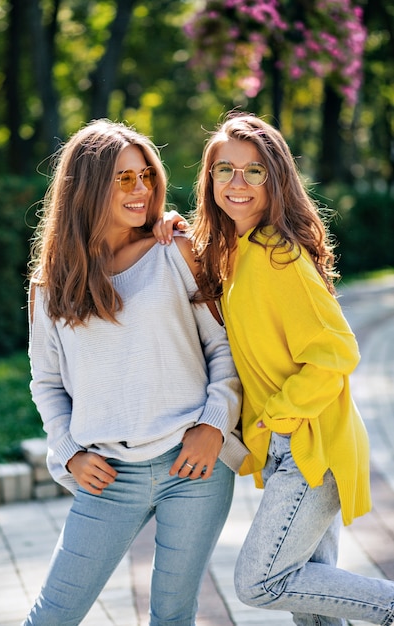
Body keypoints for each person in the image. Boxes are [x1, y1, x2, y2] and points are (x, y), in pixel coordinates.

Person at [153, 111, 394, 626]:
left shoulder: (277, 255)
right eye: (225, 170)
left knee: (262, 582)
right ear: (209, 178)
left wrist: (277, 418)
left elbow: (337, 351)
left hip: (309, 445)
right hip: (300, 441)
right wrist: (179, 232)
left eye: (254, 171)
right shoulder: (242, 251)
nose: (237, 183)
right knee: (313, 601)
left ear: (275, 178)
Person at [23, 118, 248, 626]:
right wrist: (69, 453)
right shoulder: (49, 288)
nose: (141, 189)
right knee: (51, 616)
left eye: (146, 175)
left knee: (171, 616)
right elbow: (47, 383)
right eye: (124, 178)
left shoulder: (175, 251)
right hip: (106, 476)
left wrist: (214, 424)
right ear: (86, 187)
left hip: (192, 467)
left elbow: (224, 346)